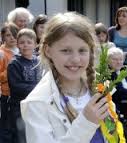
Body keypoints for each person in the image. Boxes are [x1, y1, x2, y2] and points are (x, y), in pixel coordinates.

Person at [20, 12, 109, 143]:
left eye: (82, 50)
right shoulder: (37, 103)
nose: (75, 59)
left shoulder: (101, 87)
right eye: (66, 51)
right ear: (48, 51)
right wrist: (86, 123)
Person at [8, 28, 42, 143]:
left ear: (35, 44)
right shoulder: (14, 63)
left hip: (36, 106)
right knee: (21, 137)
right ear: (17, 44)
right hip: (20, 108)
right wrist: (39, 88)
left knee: (36, 135)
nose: (25, 45)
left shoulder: (38, 61)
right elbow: (16, 86)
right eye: (22, 42)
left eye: (29, 42)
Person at [0, 22, 19, 143]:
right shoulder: (1, 53)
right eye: (8, 35)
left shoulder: (22, 49)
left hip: (21, 95)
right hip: (7, 95)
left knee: (18, 127)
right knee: (6, 128)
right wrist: (10, 71)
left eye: (14, 35)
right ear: (3, 37)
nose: (12, 37)